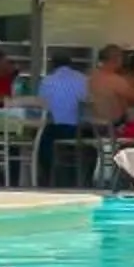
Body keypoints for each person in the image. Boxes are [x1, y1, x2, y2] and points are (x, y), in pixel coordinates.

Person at [36, 48, 90, 185]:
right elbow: (87, 103)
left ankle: (48, 177)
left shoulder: (47, 81)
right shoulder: (83, 79)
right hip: (77, 131)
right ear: (70, 63)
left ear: (52, 64)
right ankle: (81, 178)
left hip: (54, 129)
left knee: (40, 138)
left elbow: (42, 107)